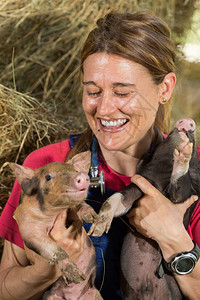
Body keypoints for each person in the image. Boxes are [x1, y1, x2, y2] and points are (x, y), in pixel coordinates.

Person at [0, 10, 200, 300]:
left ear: (165, 89)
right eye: (93, 91)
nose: (104, 109)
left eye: (122, 93)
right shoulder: (45, 168)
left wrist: (176, 242)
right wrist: (50, 268)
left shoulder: (193, 170)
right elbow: (5, 286)